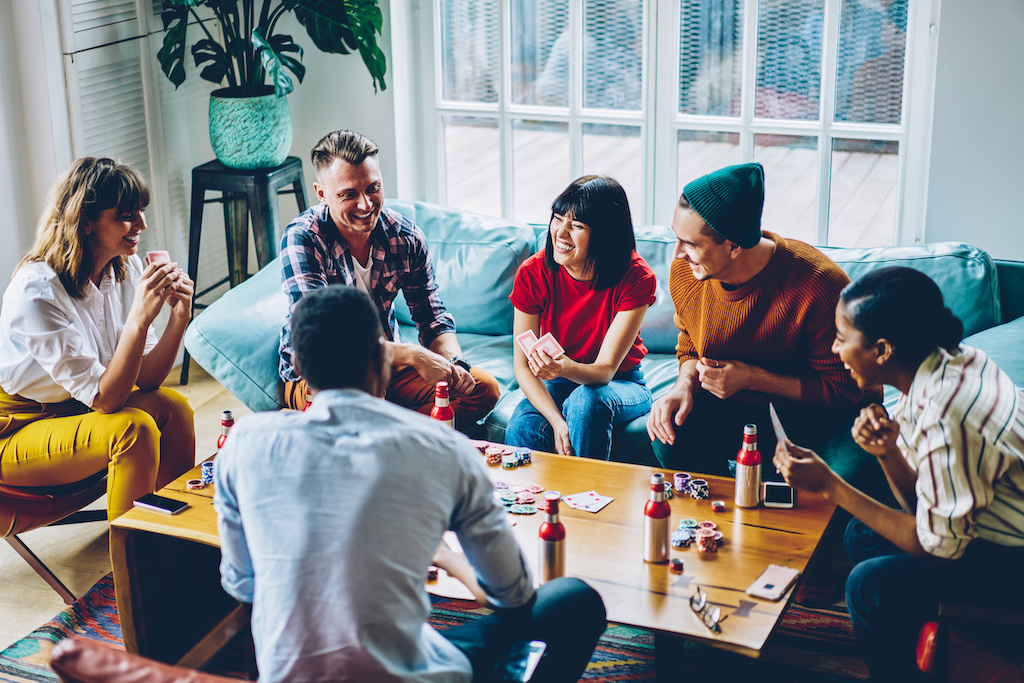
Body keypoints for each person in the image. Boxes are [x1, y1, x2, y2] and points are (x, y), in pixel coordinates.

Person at [217, 285, 607, 682]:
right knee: (574, 601)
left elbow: (242, 583)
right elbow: (514, 593)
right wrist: (451, 558)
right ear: (382, 359)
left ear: (297, 365)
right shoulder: (442, 447)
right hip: (411, 674)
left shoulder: (241, 446)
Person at [773, 266, 1024, 681]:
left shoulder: (948, 414)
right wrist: (888, 452)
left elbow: (935, 547)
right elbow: (924, 496)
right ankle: (920, 640)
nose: (835, 349)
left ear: (883, 350)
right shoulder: (947, 364)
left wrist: (830, 486)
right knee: (860, 534)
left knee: (868, 585)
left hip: (1013, 561)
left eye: (841, 337)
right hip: (988, 525)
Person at [646, 162, 880, 478]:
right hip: (741, 409)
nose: (677, 254)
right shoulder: (687, 273)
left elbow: (844, 389)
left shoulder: (819, 285)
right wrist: (684, 384)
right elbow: (689, 345)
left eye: (690, 243)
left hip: (826, 416)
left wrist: (753, 378)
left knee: (853, 474)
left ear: (733, 247)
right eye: (676, 238)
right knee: (670, 433)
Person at [0, 157, 195, 520]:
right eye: (126, 215)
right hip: (18, 428)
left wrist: (178, 318)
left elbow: (148, 378)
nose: (142, 225)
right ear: (85, 221)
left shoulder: (125, 268)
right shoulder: (37, 292)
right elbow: (106, 401)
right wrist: (139, 318)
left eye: (140, 212)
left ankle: (176, 539)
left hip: (79, 410)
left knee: (174, 409)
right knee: (132, 429)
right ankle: (133, 569)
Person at [278, 130, 500, 432]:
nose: (366, 204)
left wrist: (455, 365)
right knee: (364, 394)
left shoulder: (404, 237)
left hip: (384, 364)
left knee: (482, 389)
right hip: (319, 371)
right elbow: (322, 341)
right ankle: (392, 432)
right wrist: (413, 355)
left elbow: (431, 316)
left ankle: (390, 434)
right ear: (321, 193)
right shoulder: (303, 239)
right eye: (349, 194)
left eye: (373, 188)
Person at [505, 176, 656, 459]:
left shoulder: (636, 276)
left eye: (576, 226)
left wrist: (562, 368)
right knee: (524, 424)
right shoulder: (533, 272)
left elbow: (605, 370)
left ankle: (586, 500)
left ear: (604, 234)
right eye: (558, 219)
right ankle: (531, 502)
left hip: (621, 382)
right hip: (559, 382)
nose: (561, 233)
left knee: (586, 402)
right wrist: (557, 422)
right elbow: (522, 366)